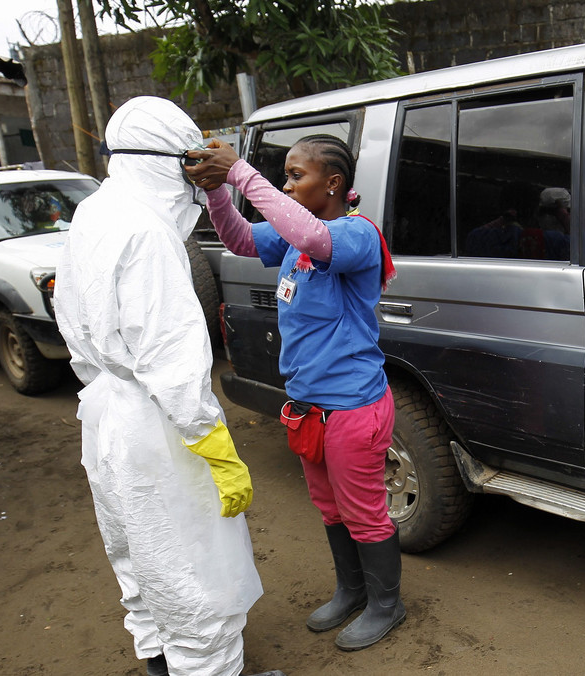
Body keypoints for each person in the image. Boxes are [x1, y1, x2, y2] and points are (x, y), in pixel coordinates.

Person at [52, 97, 280, 676]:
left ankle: (159, 664)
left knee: (140, 551)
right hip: (157, 425)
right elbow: (172, 361)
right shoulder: (148, 234)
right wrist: (214, 444)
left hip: (106, 412)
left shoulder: (95, 212)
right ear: (169, 163)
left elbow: (71, 315)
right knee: (197, 567)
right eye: (190, 165)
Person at [185, 134, 403, 652]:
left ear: (333, 184)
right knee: (330, 508)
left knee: (363, 510)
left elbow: (311, 234)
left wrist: (240, 172)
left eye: (295, 176)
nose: (285, 184)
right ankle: (351, 591)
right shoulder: (295, 239)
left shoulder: (354, 236)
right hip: (309, 409)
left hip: (353, 408)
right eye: (283, 175)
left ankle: (386, 604)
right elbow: (240, 240)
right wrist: (218, 190)